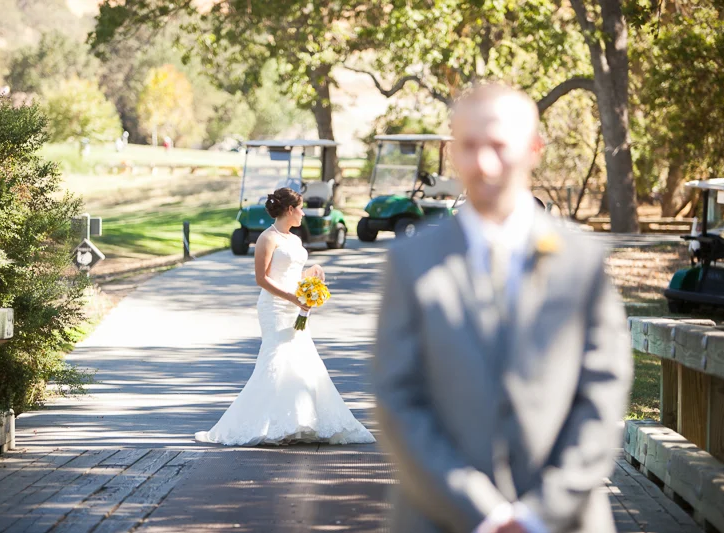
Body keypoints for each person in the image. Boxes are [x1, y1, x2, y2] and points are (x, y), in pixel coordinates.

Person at [373, 84, 632, 533]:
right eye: (469, 146)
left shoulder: (581, 261)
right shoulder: (410, 262)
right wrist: (482, 510)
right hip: (437, 517)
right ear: (453, 151)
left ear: (533, 149)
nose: (484, 163)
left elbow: (603, 395)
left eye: (498, 145)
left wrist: (539, 513)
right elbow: (397, 398)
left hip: (564, 519)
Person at [195, 188, 375, 446]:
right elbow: (262, 279)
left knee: (300, 359)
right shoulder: (267, 238)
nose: (303, 213)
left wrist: (311, 274)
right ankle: (267, 424)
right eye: (300, 208)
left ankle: (296, 422)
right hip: (275, 308)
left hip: (295, 305)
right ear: (290, 210)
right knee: (277, 359)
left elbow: (291, 273)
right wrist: (291, 298)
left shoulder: (295, 240)